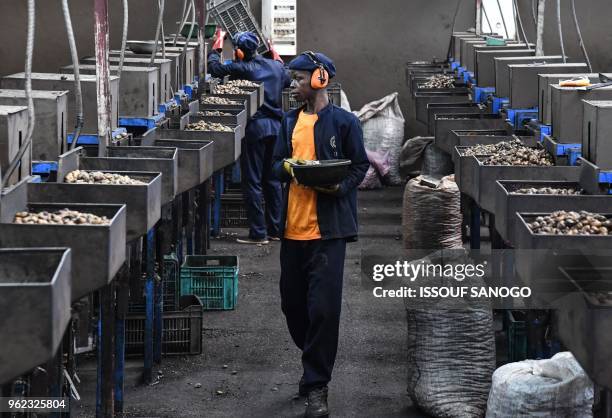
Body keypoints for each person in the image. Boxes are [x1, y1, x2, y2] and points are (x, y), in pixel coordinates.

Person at [272, 51, 369, 418]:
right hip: (292, 231)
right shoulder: (287, 123)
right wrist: (287, 166)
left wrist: (339, 187)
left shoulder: (345, 123)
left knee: (324, 311)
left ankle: (316, 385)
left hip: (328, 234)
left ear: (320, 78)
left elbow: (359, 166)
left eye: (298, 79)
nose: (292, 85)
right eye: (292, 79)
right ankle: (312, 358)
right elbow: (275, 166)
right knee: (293, 307)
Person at [208, 31, 290, 244]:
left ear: (239, 52)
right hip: (277, 129)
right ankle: (276, 230)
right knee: (272, 180)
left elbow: (215, 68)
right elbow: (287, 78)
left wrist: (216, 47)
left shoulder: (243, 67)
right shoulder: (276, 67)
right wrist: (276, 56)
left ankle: (258, 233)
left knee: (252, 181)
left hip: (256, 129)